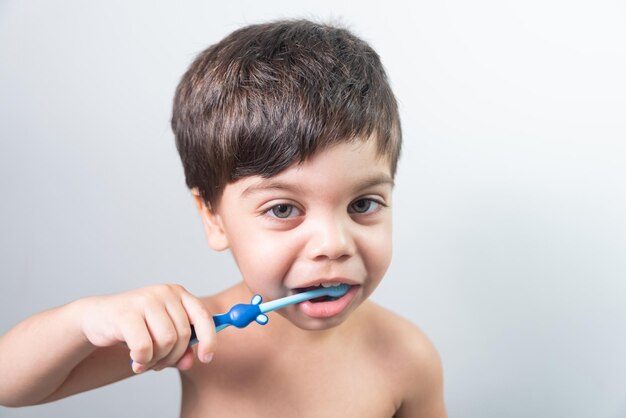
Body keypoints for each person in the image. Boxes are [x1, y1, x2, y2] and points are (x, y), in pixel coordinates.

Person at [0, 19, 446, 417]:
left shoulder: (407, 357)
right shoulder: (199, 331)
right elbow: (9, 387)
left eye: (363, 204)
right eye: (283, 209)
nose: (333, 244)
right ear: (213, 219)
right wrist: (83, 321)